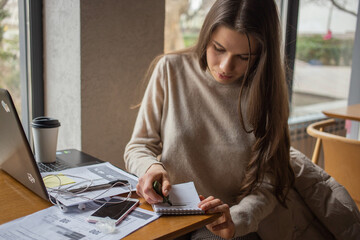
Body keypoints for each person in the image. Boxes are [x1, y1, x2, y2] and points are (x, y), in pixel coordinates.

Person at [124, 0, 295, 239]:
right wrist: (151, 168)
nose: (226, 66)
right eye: (218, 48)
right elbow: (139, 146)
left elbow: (271, 184)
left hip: (227, 222)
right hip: (168, 214)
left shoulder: (267, 94)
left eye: (244, 57)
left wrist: (236, 219)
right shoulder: (171, 70)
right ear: (206, 36)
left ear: (261, 54)